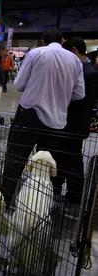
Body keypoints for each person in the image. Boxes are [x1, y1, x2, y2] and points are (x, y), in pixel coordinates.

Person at [0, 28, 85, 208]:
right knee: (44, 167)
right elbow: (79, 94)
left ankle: (4, 201)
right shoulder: (75, 60)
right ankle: (37, 207)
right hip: (57, 120)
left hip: (30, 114)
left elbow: (19, 84)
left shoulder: (36, 53)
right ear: (62, 40)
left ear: (42, 40)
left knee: (16, 159)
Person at [54, 37, 98, 211]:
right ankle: (64, 190)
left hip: (76, 124)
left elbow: (86, 101)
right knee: (64, 156)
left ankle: (75, 195)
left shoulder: (90, 73)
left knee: (74, 158)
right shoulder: (79, 69)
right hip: (66, 122)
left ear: (74, 51)